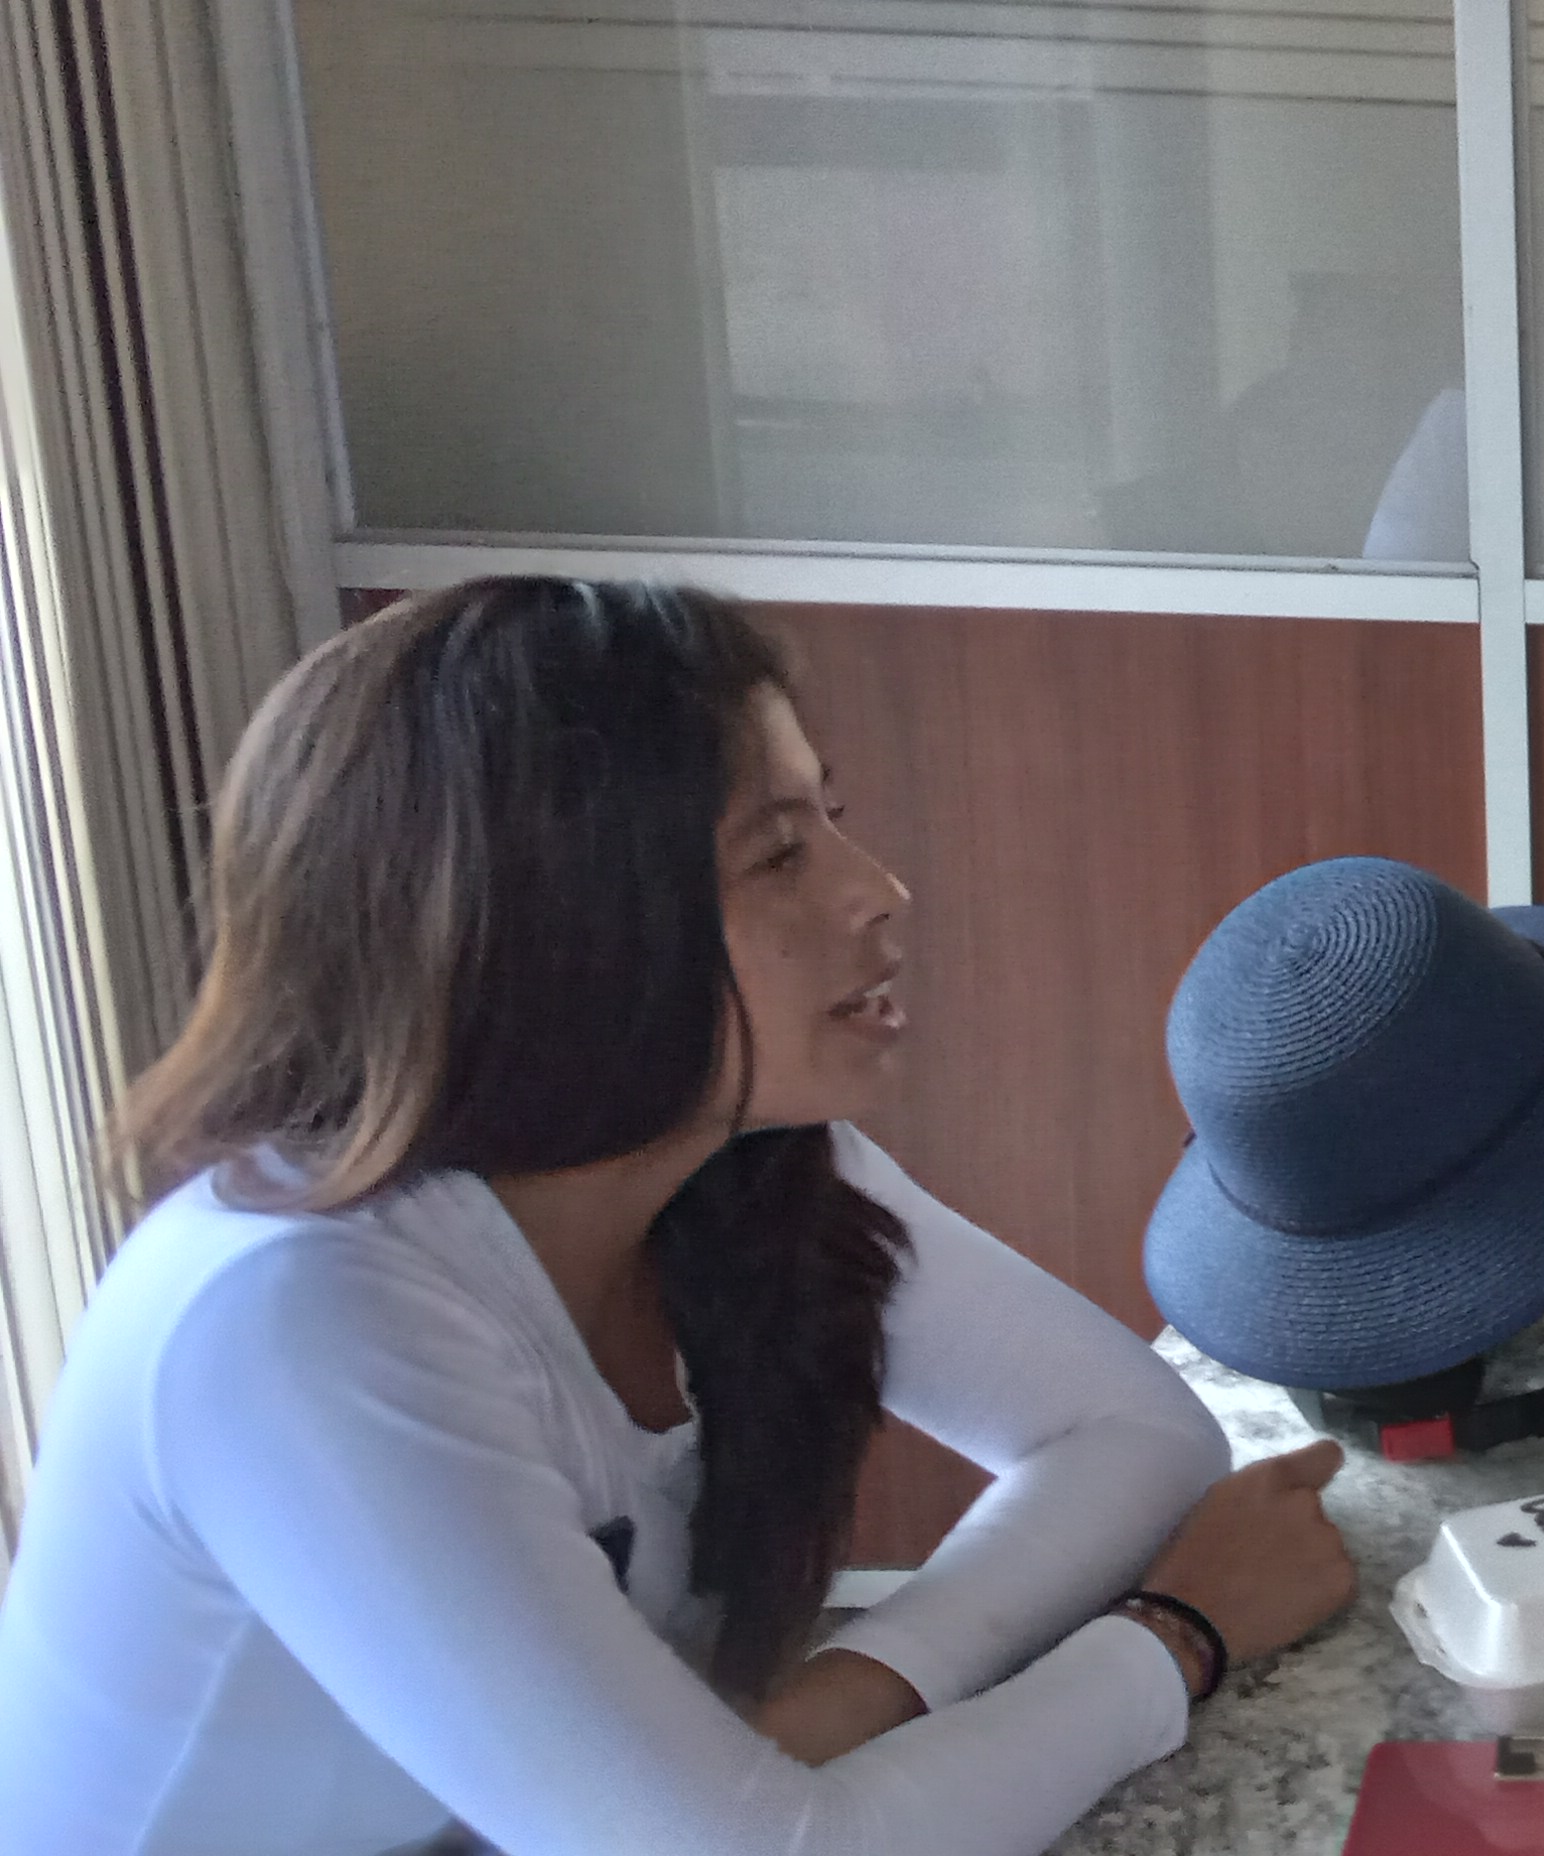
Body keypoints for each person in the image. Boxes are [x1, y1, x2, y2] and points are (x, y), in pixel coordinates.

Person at [0, 579, 1360, 1853]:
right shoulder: (298, 1311)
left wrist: (860, 1690)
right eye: (779, 853)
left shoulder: (732, 1159)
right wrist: (1172, 1637)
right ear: (553, 923)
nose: (877, 889)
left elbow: (1133, 1434)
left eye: (833, 817)